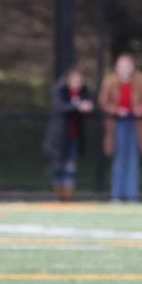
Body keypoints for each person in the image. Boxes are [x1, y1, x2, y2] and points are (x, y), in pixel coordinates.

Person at [99, 54, 142, 202]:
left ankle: (132, 195)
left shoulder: (140, 81)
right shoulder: (110, 82)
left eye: (127, 65)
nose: (125, 68)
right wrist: (116, 110)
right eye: (122, 65)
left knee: (133, 159)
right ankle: (117, 194)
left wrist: (140, 110)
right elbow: (104, 102)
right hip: (117, 123)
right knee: (119, 159)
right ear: (116, 67)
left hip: (136, 123)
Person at [42, 65, 94, 200]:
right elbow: (60, 107)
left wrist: (88, 108)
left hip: (75, 136)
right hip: (59, 138)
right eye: (74, 80)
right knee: (58, 166)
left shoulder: (84, 92)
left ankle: (68, 195)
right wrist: (77, 106)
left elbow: (90, 109)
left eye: (79, 80)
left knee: (71, 166)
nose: (77, 83)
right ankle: (57, 194)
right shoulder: (60, 91)